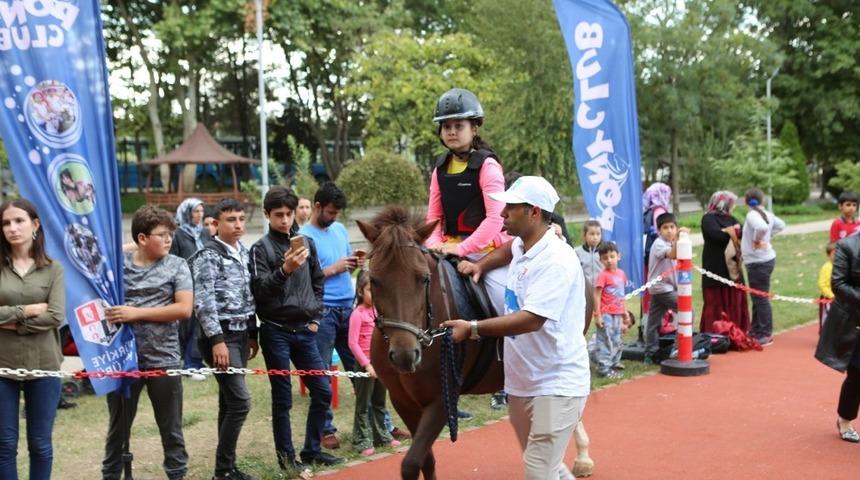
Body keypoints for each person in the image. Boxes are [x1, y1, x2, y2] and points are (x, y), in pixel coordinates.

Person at [443, 176, 589, 480]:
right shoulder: (526, 244)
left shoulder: (556, 260)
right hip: (523, 383)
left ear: (534, 211)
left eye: (511, 206)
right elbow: (510, 249)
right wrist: (482, 263)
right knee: (550, 467)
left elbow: (531, 319)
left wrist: (472, 328)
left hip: (557, 384)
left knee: (538, 471)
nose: (503, 212)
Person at [427, 88, 510, 415]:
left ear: (474, 128)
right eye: (445, 125)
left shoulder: (488, 167)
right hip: (448, 250)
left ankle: (510, 369)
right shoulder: (439, 167)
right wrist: (435, 244)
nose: (451, 131)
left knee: (507, 302)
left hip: (488, 253)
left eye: (458, 125)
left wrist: (461, 248)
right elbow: (433, 217)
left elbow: (494, 219)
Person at [249, 186, 344, 469]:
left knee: (323, 390)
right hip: (275, 330)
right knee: (283, 399)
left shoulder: (306, 243)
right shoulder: (259, 249)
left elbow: (317, 281)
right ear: (267, 215)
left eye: (289, 214)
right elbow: (259, 292)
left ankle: (312, 450)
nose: (285, 220)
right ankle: (287, 460)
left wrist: (315, 317)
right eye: (278, 215)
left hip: (305, 330)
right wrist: (284, 270)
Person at [102, 206, 192, 480]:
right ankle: (111, 475)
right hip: (123, 360)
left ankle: (177, 474)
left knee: (172, 429)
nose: (169, 240)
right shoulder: (119, 266)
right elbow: (101, 254)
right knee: (118, 429)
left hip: (164, 359)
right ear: (142, 238)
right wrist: (130, 246)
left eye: (171, 234)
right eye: (162, 234)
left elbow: (184, 309)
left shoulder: (177, 265)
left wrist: (136, 313)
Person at [190, 198, 259, 480]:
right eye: (231, 219)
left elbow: (249, 295)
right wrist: (217, 339)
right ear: (215, 224)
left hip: (242, 334)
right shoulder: (208, 255)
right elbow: (203, 303)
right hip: (220, 336)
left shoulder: (242, 252)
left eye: (241, 219)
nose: (238, 224)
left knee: (228, 403)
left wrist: (253, 333)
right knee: (241, 402)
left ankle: (225, 469)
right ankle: (223, 469)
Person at [0, 199, 64, 480]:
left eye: (19, 221)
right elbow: (42, 314)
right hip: (2, 366)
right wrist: (25, 311)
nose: (12, 228)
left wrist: (11, 322)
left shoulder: (53, 269)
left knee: (40, 444)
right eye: (5, 223)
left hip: (44, 365)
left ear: (35, 225)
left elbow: (55, 316)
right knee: (4, 445)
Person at [299, 182, 360, 449]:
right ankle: (326, 430)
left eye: (337, 213)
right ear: (317, 207)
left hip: (349, 308)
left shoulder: (339, 229)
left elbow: (345, 260)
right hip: (322, 312)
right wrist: (334, 268)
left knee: (362, 367)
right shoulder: (302, 237)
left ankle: (377, 423)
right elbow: (302, 280)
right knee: (321, 373)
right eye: (331, 212)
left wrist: (353, 261)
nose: (334, 217)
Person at [348, 273, 401, 456]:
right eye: (371, 290)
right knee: (363, 404)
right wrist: (367, 365)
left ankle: (382, 435)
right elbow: (352, 343)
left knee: (379, 402)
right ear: (361, 292)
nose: (375, 294)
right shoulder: (357, 314)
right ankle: (362, 440)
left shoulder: (379, 312)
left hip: (381, 365)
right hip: (365, 367)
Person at [814, 233, 860, 443]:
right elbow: (838, 284)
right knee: (857, 375)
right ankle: (845, 419)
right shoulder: (847, 246)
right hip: (854, 320)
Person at [699, 191, 750, 333]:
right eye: (732, 204)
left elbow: (742, 232)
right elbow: (716, 236)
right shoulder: (708, 219)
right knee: (715, 301)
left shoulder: (731, 218)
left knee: (734, 298)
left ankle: (736, 331)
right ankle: (717, 333)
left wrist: (728, 231)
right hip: (715, 267)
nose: (733, 207)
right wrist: (731, 232)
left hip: (732, 268)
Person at [170, 198, 209, 379]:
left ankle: (195, 362)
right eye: (195, 211)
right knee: (186, 326)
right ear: (186, 213)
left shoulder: (205, 232)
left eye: (201, 211)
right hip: (185, 286)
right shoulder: (178, 234)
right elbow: (173, 260)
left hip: (204, 284)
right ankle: (188, 363)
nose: (199, 215)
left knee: (200, 324)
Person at [741, 188, 785, 346]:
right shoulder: (767, 214)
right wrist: (767, 239)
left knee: (761, 298)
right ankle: (756, 328)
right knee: (757, 296)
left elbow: (761, 228)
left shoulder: (752, 215)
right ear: (763, 200)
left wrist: (756, 240)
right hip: (762, 260)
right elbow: (781, 225)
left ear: (746, 201)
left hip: (758, 262)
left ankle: (766, 333)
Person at [645, 213, 687, 363]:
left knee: (654, 322)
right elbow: (673, 255)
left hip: (662, 288)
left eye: (672, 227)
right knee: (687, 311)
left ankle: (651, 352)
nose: (669, 231)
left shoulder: (670, 242)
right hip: (661, 288)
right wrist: (680, 238)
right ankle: (678, 347)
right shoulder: (659, 244)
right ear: (658, 230)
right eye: (665, 228)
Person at [593, 242, 630, 378]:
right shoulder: (603, 275)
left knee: (617, 338)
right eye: (605, 258)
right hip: (606, 313)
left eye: (612, 256)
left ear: (618, 256)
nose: (609, 260)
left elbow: (621, 295)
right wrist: (598, 315)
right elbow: (597, 295)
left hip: (618, 313)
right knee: (605, 340)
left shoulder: (621, 274)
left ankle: (614, 362)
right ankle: (604, 368)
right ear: (600, 260)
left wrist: (624, 312)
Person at [574, 220, 603, 286]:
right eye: (592, 234)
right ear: (584, 235)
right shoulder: (577, 252)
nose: (595, 237)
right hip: (584, 289)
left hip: (601, 290)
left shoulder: (604, 252)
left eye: (598, 234)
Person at [818, 243, 836, 332]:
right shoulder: (826, 267)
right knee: (826, 320)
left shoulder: (841, 266)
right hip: (828, 299)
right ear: (828, 255)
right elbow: (822, 284)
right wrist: (831, 295)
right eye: (834, 254)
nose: (836, 256)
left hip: (839, 299)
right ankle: (824, 338)